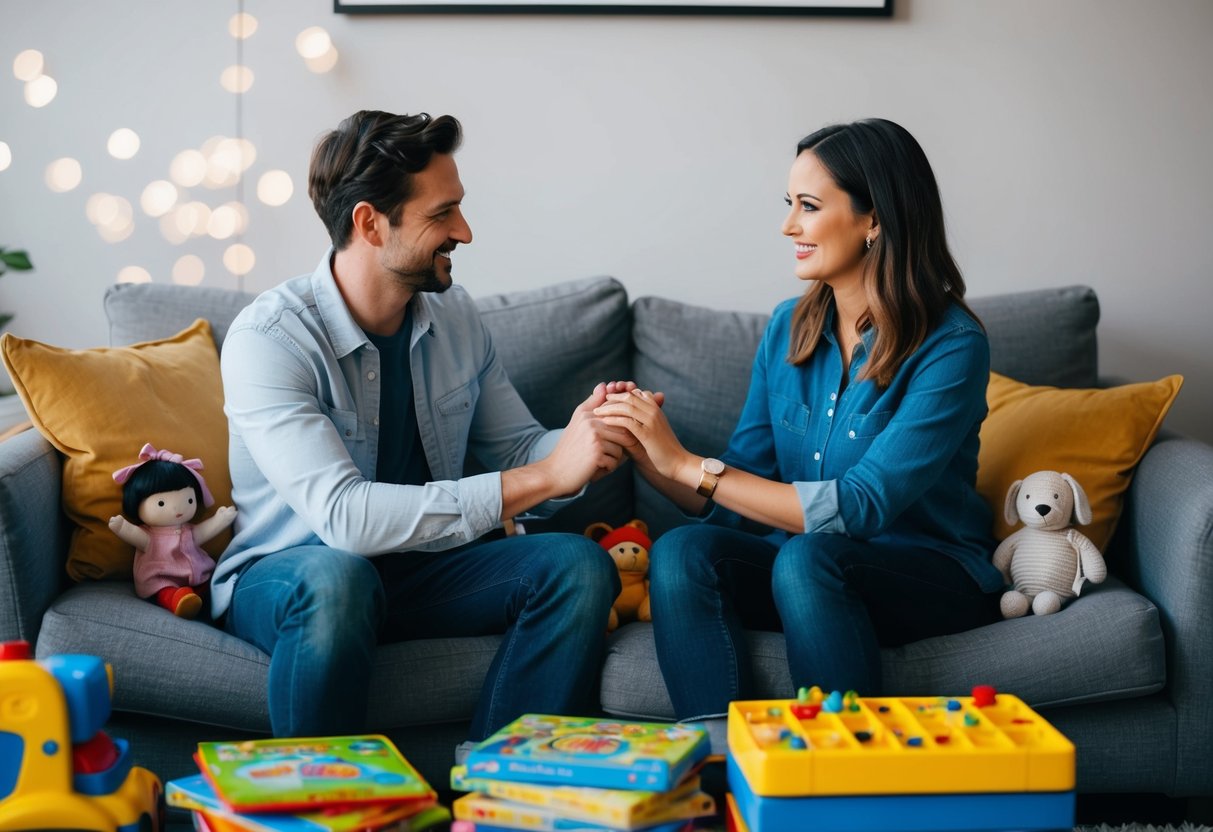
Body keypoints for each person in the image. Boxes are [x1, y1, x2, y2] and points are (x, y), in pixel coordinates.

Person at [212, 110, 629, 741]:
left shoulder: (455, 317)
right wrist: (546, 473)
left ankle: (495, 798)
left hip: (421, 571)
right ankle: (325, 810)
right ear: (370, 223)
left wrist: (587, 434)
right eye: (442, 214)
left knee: (577, 566)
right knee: (338, 576)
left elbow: (516, 448)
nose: (465, 231)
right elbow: (345, 521)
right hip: (294, 572)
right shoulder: (270, 340)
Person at [594, 118, 1006, 722]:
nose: (788, 226)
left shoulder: (953, 344)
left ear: (875, 219)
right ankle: (719, 768)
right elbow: (737, 493)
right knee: (684, 551)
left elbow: (861, 507)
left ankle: (842, 787)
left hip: (927, 575)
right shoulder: (789, 327)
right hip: (802, 572)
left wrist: (687, 463)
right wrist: (651, 454)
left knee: (810, 556)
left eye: (808, 206)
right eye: (790, 205)